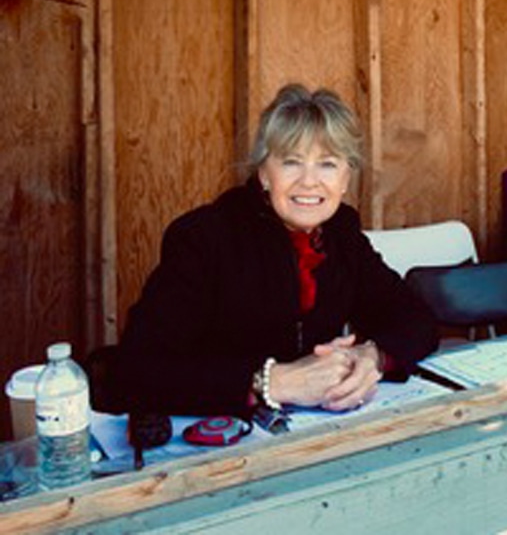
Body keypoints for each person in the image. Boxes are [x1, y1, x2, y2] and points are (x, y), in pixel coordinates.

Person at [113, 84, 438, 417]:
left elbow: (415, 318)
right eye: (291, 162)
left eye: (327, 164)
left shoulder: (340, 231)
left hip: (310, 432)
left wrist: (372, 357)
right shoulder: (204, 238)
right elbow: (136, 370)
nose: (309, 181)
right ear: (264, 174)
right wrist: (271, 382)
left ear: (345, 178)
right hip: (216, 443)